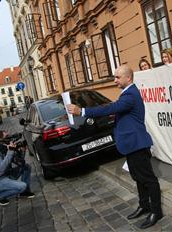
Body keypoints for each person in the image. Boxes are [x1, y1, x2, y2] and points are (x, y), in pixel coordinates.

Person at [67, 65, 163, 229]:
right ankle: (144, 205)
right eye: (115, 77)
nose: (114, 80)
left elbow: (110, 108)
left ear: (128, 78)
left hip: (137, 144)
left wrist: (82, 111)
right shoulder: (127, 93)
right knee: (138, 177)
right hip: (131, 145)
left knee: (148, 179)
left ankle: (156, 211)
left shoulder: (130, 95)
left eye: (118, 77)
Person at [0, 130, 34, 206]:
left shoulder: (6, 148)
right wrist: (10, 151)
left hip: (6, 175)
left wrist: (22, 151)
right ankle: (0, 195)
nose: (10, 139)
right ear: (0, 141)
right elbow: (2, 168)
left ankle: (24, 193)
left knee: (26, 167)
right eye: (7, 137)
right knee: (22, 186)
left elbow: (20, 163)